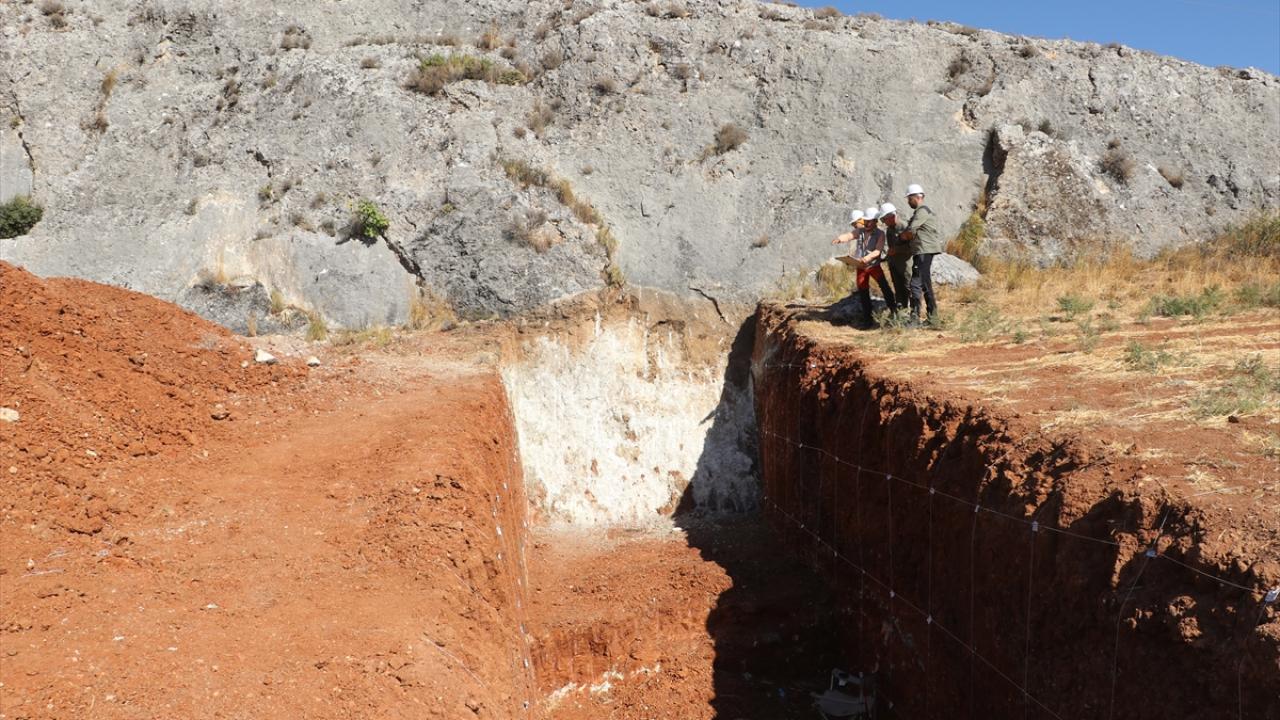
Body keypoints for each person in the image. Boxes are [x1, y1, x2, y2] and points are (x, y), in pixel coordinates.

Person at [899, 183, 944, 325]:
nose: (908, 201)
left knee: (916, 284)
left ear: (916, 197)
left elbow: (911, 231)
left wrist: (902, 237)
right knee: (924, 283)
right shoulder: (919, 212)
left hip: (924, 250)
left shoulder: (922, 211)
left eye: (909, 198)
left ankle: (915, 319)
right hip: (922, 251)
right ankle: (932, 318)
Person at [847, 206, 896, 328]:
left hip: (873, 266)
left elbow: (878, 251)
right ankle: (867, 320)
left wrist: (868, 258)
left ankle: (895, 312)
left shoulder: (880, 234)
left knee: (884, 288)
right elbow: (850, 236)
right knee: (863, 292)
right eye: (865, 221)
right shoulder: (861, 232)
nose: (867, 223)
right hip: (861, 267)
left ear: (875, 221)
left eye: (869, 221)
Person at [879, 202, 912, 316]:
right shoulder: (889, 230)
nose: (884, 222)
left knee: (908, 287)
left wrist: (897, 250)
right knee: (898, 288)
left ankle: (913, 313)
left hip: (905, 264)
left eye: (884, 219)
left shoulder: (905, 227)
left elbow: (913, 247)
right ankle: (901, 313)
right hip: (894, 265)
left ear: (892, 216)